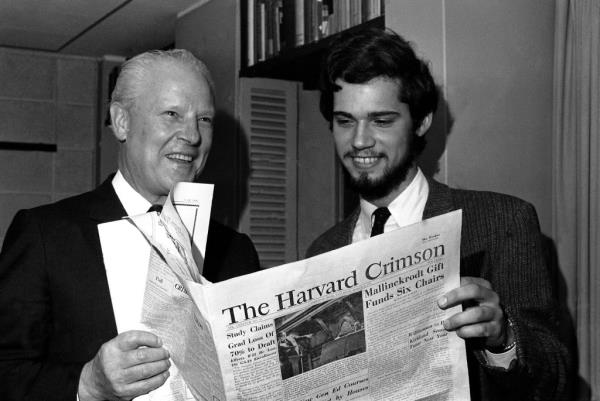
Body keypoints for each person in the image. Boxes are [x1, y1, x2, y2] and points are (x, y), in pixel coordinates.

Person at [306, 28, 575, 401]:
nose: (359, 141)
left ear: (421, 122)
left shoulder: (503, 221)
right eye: (345, 121)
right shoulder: (322, 250)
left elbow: (558, 378)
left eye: (381, 121)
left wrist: (504, 337)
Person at [0, 49, 260, 401]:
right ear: (121, 122)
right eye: (172, 114)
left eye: (204, 119)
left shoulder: (236, 251)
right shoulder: (46, 236)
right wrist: (87, 384)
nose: (192, 136)